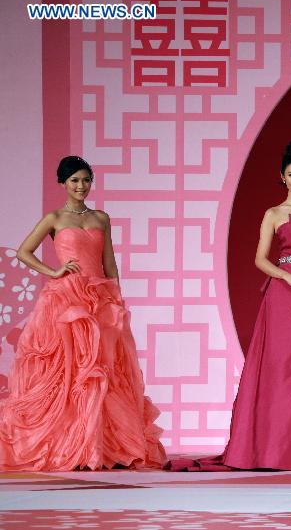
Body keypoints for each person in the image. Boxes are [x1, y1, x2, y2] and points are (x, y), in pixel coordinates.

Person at [169, 140, 291, 471]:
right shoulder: (274, 214)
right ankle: (277, 448)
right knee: (283, 369)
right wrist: (287, 277)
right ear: (282, 176)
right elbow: (260, 259)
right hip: (284, 298)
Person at [0, 156, 165, 471]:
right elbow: (24, 251)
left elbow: (109, 262)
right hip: (66, 301)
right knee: (70, 373)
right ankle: (67, 445)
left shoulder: (101, 218)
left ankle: (101, 447)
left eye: (86, 180)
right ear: (63, 183)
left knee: (104, 371)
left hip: (100, 300)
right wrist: (54, 271)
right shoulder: (54, 217)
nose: (81, 186)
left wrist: (116, 295)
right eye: (75, 180)